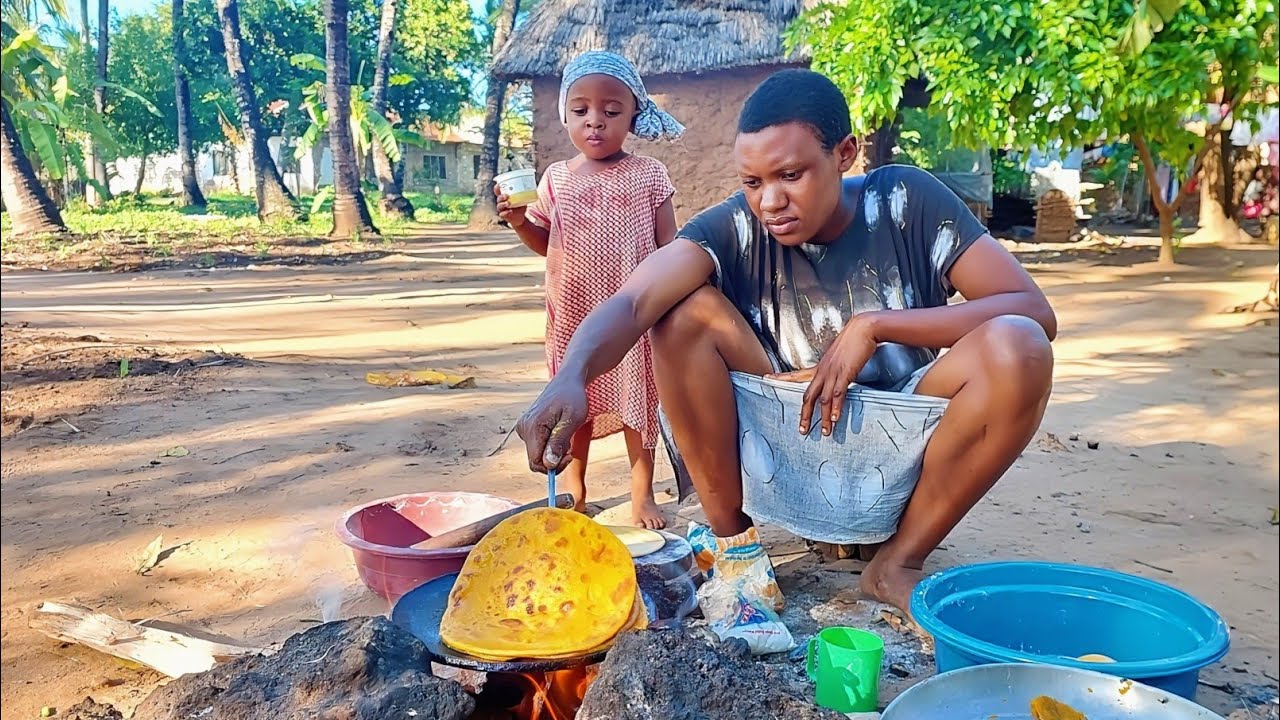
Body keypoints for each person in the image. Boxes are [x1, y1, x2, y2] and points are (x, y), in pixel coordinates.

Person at [515, 69, 1057, 618]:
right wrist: (571, 376)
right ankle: (735, 547)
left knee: (1019, 345)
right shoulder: (733, 227)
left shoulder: (905, 200)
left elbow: (1034, 310)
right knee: (681, 314)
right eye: (752, 182)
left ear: (845, 153)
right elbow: (634, 302)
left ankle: (896, 563)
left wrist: (874, 326)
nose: (770, 201)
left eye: (791, 175)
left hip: (905, 439)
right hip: (787, 432)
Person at [497, 51, 684, 529]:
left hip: (636, 317)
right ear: (564, 116)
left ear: (633, 115)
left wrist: (671, 305)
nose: (595, 122)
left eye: (611, 111)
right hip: (572, 313)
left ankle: (641, 494)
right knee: (571, 405)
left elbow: (671, 248)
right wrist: (520, 222)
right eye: (580, 111)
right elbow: (546, 243)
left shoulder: (649, 175)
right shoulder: (555, 179)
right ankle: (574, 489)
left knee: (638, 405)